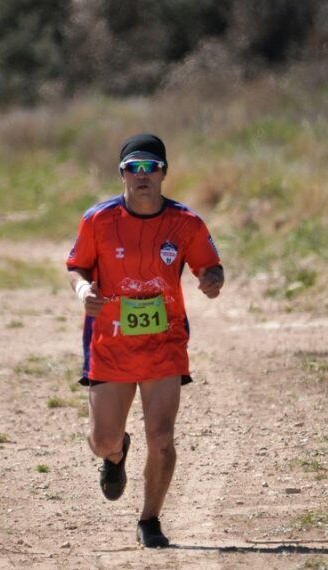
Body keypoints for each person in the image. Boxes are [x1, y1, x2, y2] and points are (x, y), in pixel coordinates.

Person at [65, 134, 225, 548]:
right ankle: (116, 455)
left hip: (164, 344)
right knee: (102, 440)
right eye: (133, 168)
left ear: (163, 174)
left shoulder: (185, 223)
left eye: (150, 167)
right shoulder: (97, 220)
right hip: (111, 344)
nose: (142, 175)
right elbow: (77, 268)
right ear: (121, 174)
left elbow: (211, 267)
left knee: (162, 436)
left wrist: (212, 281)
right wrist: (84, 292)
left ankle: (150, 520)